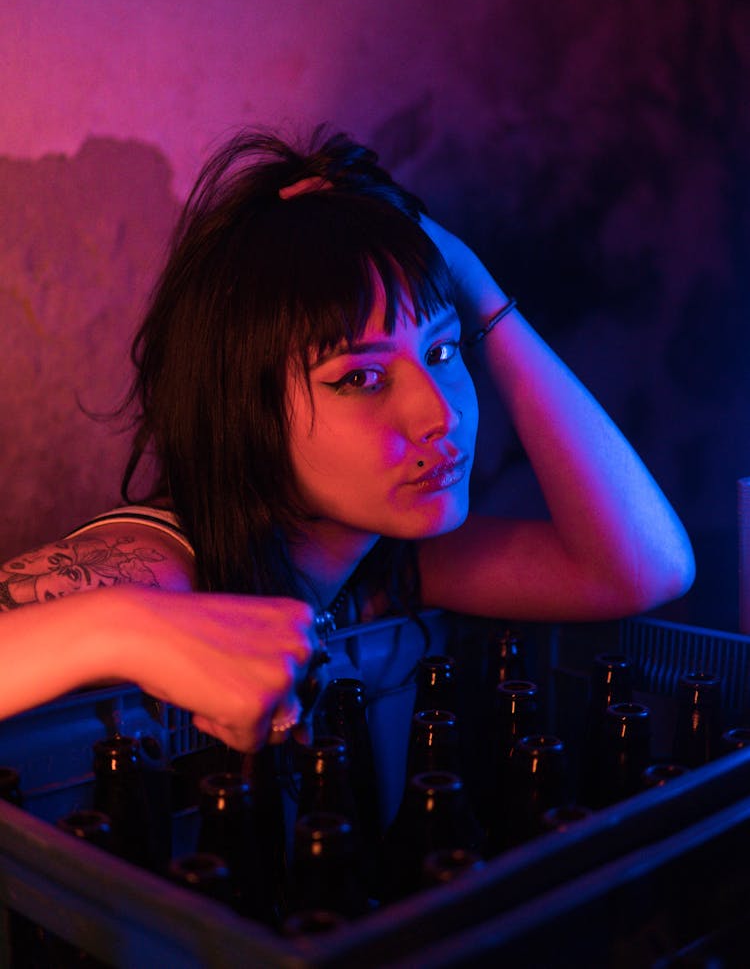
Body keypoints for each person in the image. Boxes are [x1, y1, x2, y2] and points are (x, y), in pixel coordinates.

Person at [0, 127, 695, 752]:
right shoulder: (158, 563)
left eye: (444, 353)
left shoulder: (387, 561)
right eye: (361, 377)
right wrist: (123, 626)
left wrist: (472, 284)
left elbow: (644, 568)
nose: (441, 415)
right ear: (247, 410)